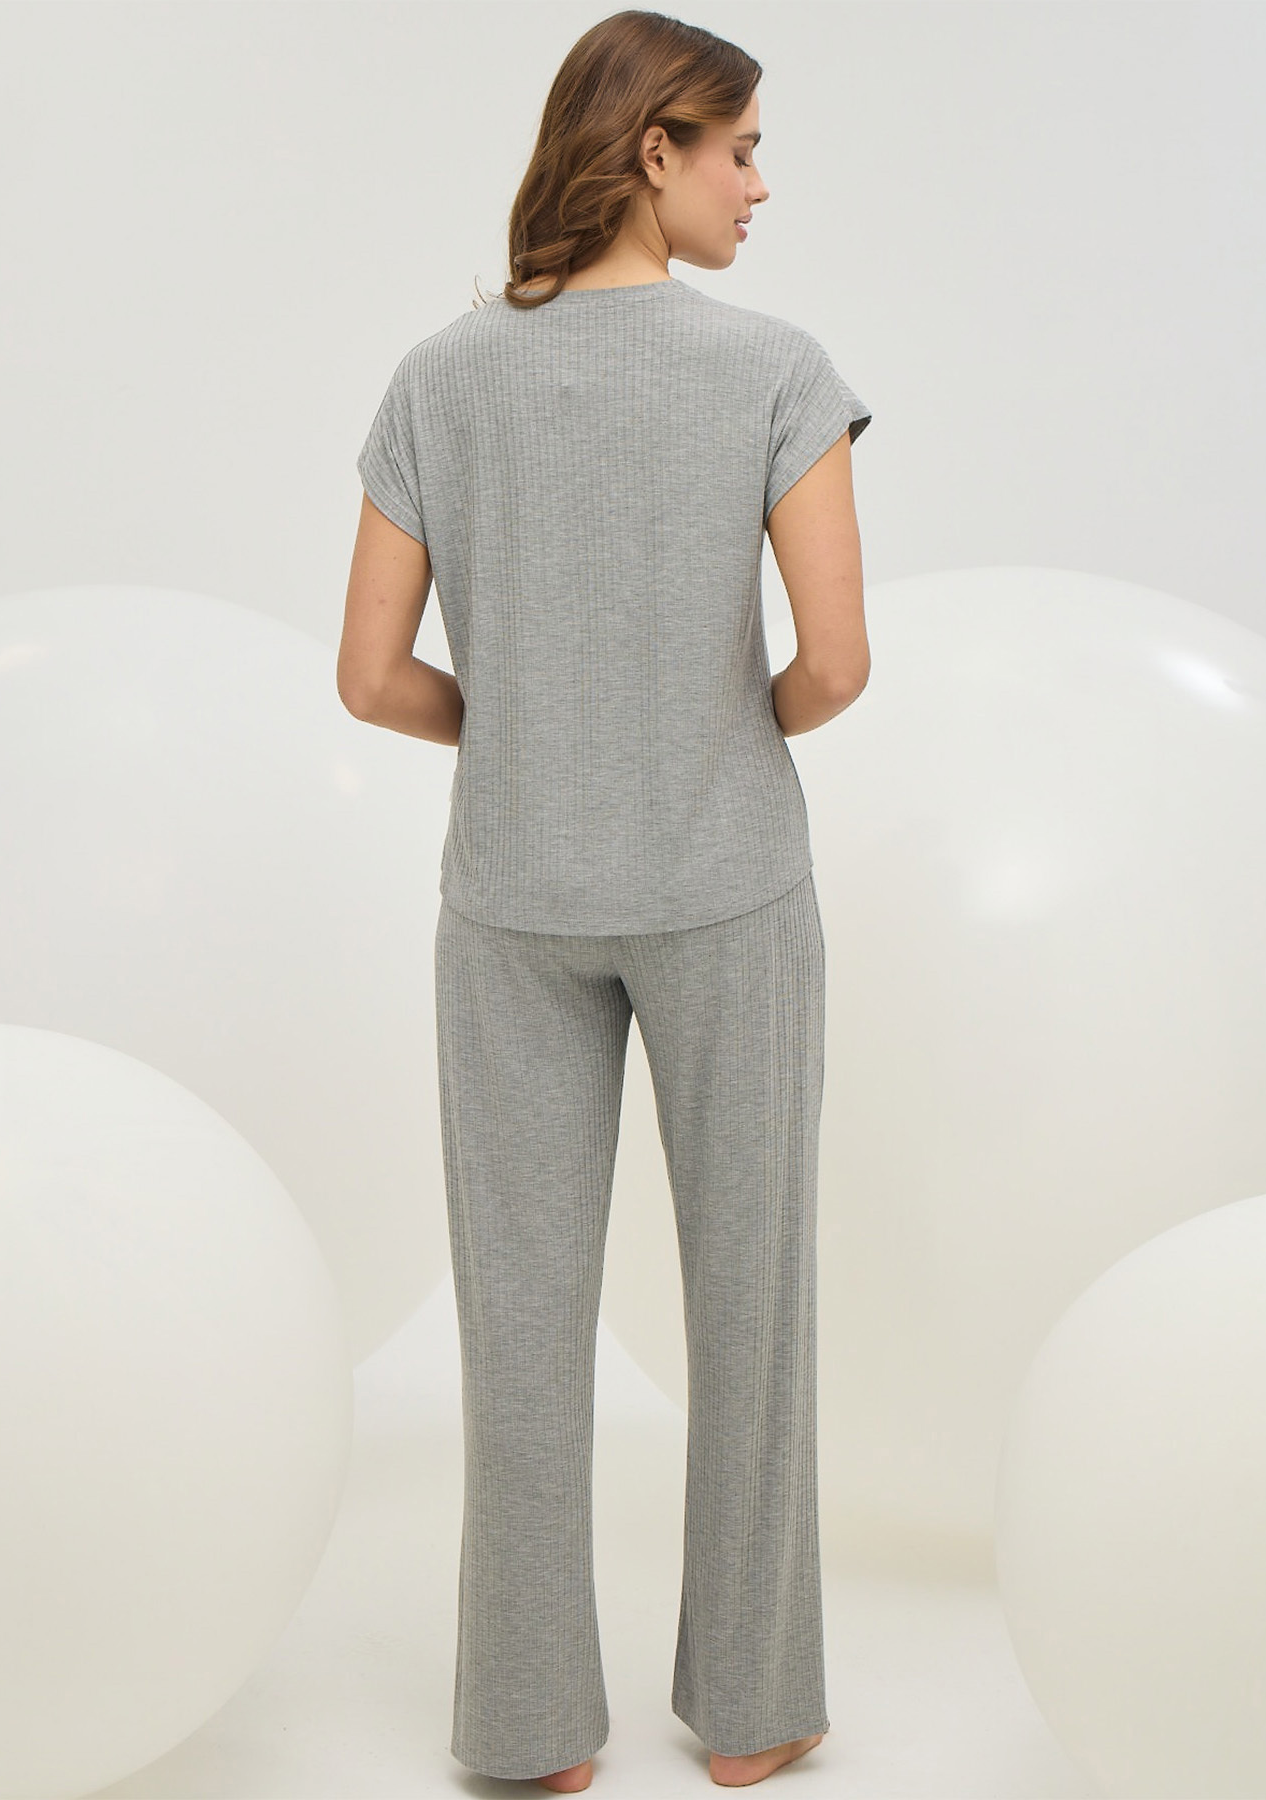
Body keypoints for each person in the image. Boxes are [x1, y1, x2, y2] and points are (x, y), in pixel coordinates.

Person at [336, 9, 871, 1791]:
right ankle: (755, 1711)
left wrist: (526, 728)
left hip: (511, 902)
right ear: (653, 151)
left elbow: (369, 676)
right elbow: (835, 665)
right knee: (753, 1312)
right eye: (740, 149)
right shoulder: (773, 371)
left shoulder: (440, 378)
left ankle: (528, 1732)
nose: (758, 185)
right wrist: (709, 727)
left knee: (515, 1327)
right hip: (726, 892)